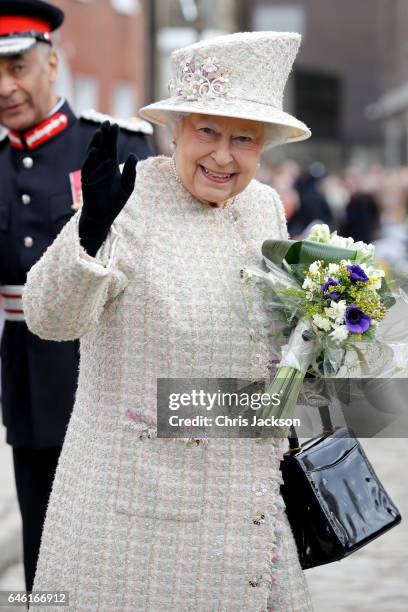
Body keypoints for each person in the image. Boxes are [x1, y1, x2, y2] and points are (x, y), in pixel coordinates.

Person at [23, 32, 314, 610]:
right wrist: (88, 233)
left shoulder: (262, 206)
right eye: (207, 131)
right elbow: (49, 318)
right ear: (176, 130)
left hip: (248, 510)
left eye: (244, 139)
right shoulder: (129, 200)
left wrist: (316, 346)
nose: (223, 156)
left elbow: (272, 345)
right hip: (137, 518)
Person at [0, 0, 153, 592]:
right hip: (30, 384)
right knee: (43, 540)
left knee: (121, 538)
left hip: (106, 371)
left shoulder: (115, 146)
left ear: (52, 64)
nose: (6, 87)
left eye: (17, 67)